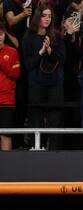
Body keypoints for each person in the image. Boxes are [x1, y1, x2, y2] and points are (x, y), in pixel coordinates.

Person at [22, 4, 65, 150]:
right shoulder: (29, 37)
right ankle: (36, 148)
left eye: (49, 16)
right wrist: (41, 52)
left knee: (55, 119)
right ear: (37, 17)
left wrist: (50, 50)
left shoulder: (57, 36)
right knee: (36, 118)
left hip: (54, 84)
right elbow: (27, 65)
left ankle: (54, 150)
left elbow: (63, 60)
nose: (47, 19)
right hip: (36, 85)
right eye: (44, 16)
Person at [0, 21, 20, 151]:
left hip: (6, 101)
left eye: (1, 33)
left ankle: (6, 167)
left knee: (5, 134)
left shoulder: (12, 52)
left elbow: (16, 73)